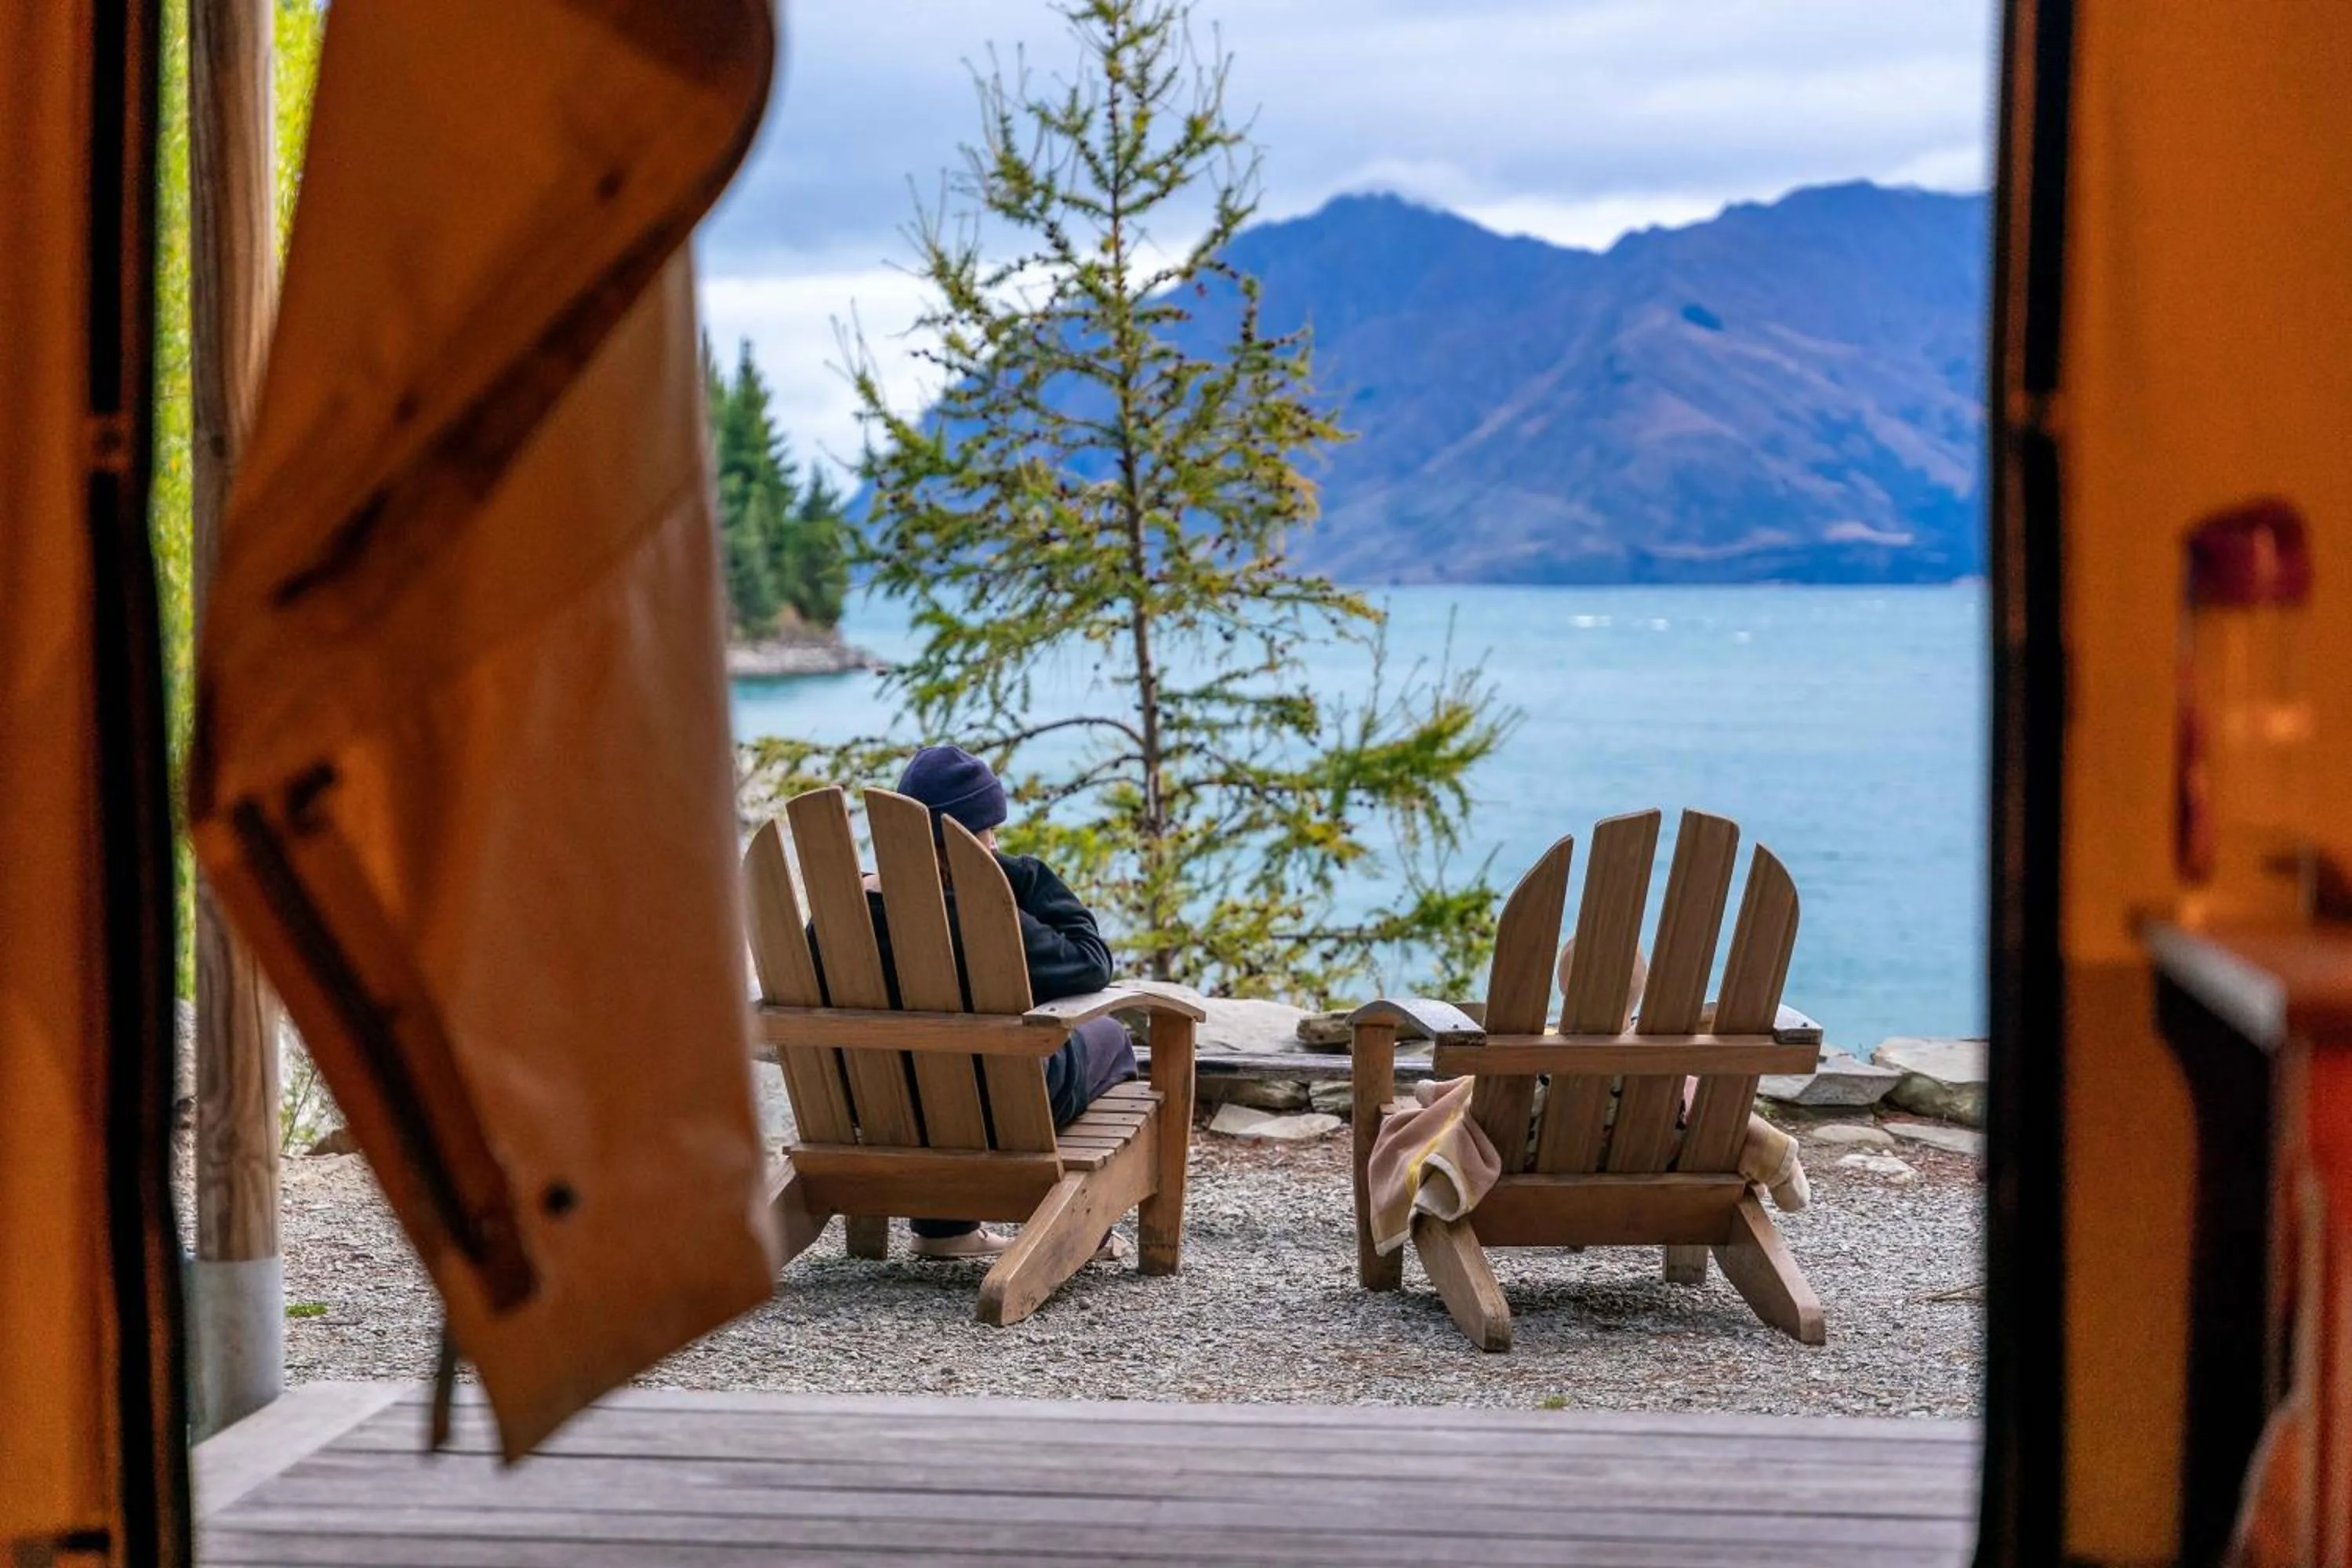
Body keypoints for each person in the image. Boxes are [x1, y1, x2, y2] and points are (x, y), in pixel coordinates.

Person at [818, 745, 1138, 1260]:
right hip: (999, 1112)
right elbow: (1091, 960)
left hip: (877, 1109)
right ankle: (1084, 1221)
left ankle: (945, 1230)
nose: (996, 844)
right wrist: (1026, 875)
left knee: (938, 1073)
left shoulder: (837, 915)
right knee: (1112, 1039)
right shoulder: (983, 918)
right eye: (990, 831)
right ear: (970, 840)